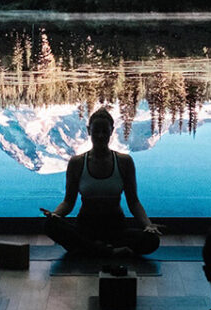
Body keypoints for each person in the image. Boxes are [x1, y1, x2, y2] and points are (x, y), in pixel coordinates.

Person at [42, 107, 162, 257]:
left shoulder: (124, 162)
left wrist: (148, 225)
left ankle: (92, 250)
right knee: (50, 225)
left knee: (152, 240)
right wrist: (55, 215)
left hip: (116, 229)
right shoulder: (77, 163)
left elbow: (134, 202)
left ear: (112, 131)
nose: (100, 135)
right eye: (96, 131)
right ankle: (109, 251)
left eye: (105, 131)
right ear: (89, 131)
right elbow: (68, 202)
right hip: (86, 228)